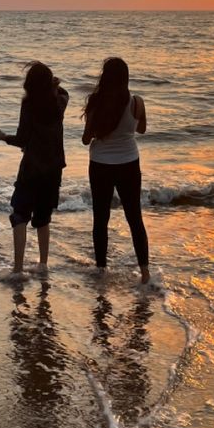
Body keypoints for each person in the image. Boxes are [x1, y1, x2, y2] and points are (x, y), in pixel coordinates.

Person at [0, 62, 69, 279]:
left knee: (20, 215)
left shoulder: (29, 104)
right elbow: (63, 91)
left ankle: (18, 268)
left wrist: (2, 136)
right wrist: (53, 85)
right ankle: (43, 264)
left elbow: (22, 138)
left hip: (32, 168)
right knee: (43, 217)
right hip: (53, 169)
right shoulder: (60, 102)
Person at [82, 57, 150, 284]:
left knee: (101, 218)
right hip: (129, 162)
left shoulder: (96, 101)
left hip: (100, 164)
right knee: (135, 218)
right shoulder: (136, 102)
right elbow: (141, 129)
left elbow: (85, 138)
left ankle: (101, 270)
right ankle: (145, 273)